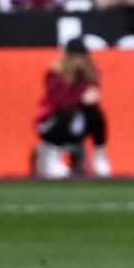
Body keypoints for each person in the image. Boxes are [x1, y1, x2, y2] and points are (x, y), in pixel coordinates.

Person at [34, 40, 108, 178]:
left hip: (75, 124)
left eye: (81, 56)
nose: (78, 61)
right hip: (51, 123)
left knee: (95, 113)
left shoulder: (89, 76)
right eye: (74, 56)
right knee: (67, 112)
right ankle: (52, 157)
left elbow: (89, 99)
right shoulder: (54, 74)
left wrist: (91, 97)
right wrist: (82, 98)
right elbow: (61, 101)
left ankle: (100, 155)